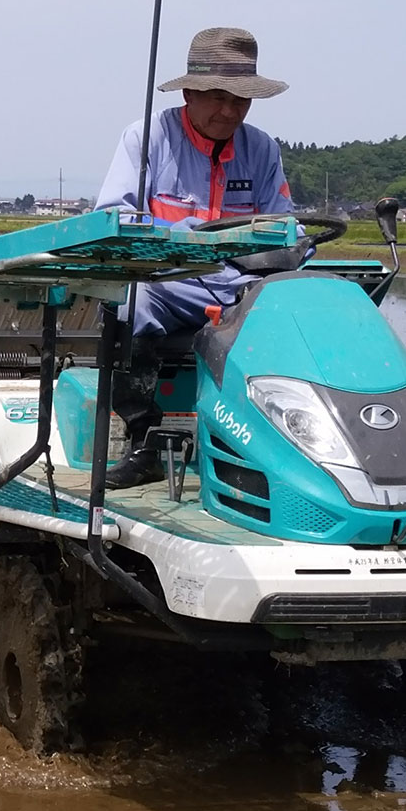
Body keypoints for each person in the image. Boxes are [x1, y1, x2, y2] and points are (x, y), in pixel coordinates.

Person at [93, 26, 295, 488]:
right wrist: (173, 236)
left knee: (293, 307)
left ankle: (270, 446)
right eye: (218, 97)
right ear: (189, 91)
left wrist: (289, 240)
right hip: (166, 278)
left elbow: (282, 224)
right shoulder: (147, 137)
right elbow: (114, 216)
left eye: (240, 101)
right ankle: (145, 436)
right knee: (132, 297)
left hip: (235, 285)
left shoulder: (261, 149)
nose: (229, 111)